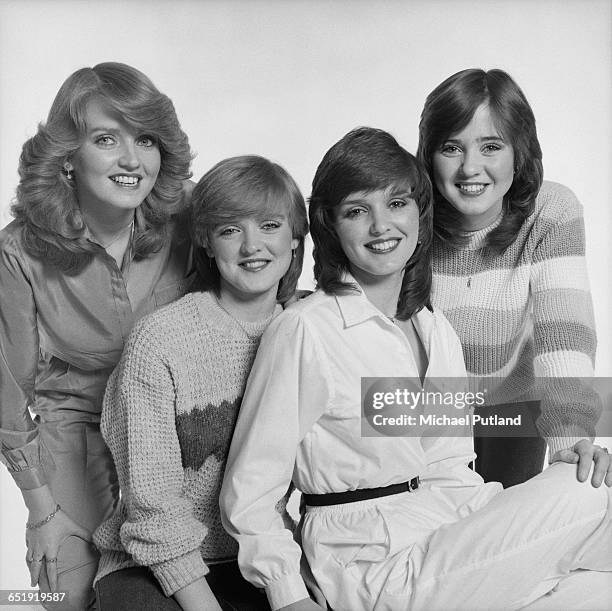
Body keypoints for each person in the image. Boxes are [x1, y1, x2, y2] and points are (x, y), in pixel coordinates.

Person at [220, 127, 612, 611]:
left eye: (397, 204)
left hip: (446, 536)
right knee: (583, 495)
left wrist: (500, 520)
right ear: (331, 228)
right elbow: (251, 489)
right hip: (369, 565)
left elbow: (449, 466)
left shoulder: (433, 327)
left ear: (420, 214)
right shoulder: (307, 330)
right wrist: (288, 596)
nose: (381, 226)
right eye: (357, 211)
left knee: (596, 570)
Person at [0, 62, 193, 610]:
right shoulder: (17, 252)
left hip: (176, 449)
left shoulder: (189, 218)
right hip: (77, 448)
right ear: (66, 156)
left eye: (146, 139)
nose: (133, 160)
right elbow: (7, 392)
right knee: (67, 598)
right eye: (106, 139)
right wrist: (41, 509)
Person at [93, 155, 309, 611]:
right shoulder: (161, 339)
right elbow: (152, 501)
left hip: (260, 559)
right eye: (230, 230)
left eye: (270, 225)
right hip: (152, 563)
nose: (252, 245)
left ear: (295, 237)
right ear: (207, 243)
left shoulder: (308, 330)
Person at [417, 68, 606, 488]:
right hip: (427, 412)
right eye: (451, 148)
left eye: (491, 146)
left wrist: (571, 437)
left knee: (511, 531)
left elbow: (566, 335)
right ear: (428, 154)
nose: (471, 168)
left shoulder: (550, 211)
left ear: (518, 152)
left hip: (513, 410)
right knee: (436, 540)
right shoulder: (407, 218)